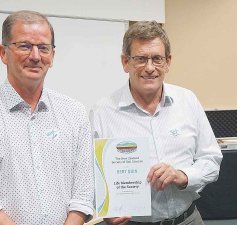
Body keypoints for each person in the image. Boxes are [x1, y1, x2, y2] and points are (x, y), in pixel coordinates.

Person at [0, 10, 94, 225]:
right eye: (24, 46)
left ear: (52, 56)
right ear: (3, 53)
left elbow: (83, 194)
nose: (35, 56)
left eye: (43, 48)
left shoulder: (74, 113)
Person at [90, 21, 222, 225]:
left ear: (168, 62)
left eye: (157, 59)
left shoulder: (187, 101)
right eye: (141, 58)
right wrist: (106, 211)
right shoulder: (102, 112)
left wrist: (183, 176)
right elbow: (89, 176)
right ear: (126, 62)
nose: (150, 68)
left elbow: (211, 159)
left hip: (188, 219)